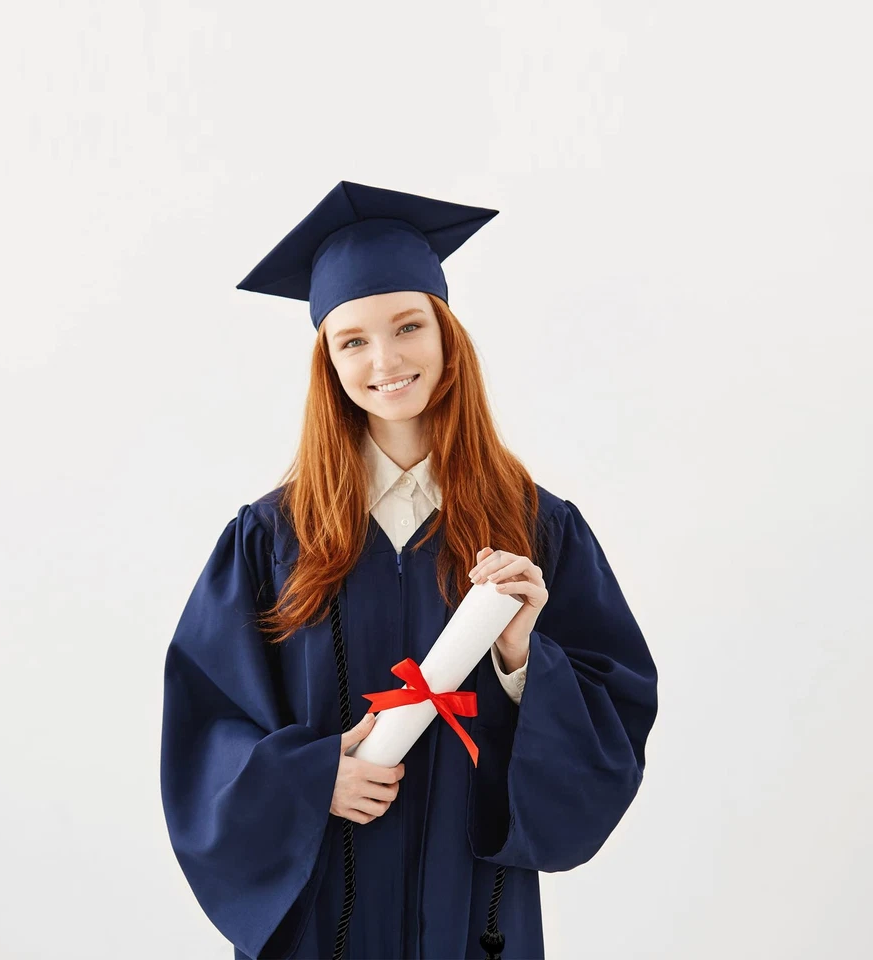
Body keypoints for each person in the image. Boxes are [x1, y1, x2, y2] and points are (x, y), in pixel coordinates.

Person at [159, 180, 659, 960]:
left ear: (446, 336)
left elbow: (613, 722)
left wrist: (525, 658)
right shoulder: (270, 537)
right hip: (321, 918)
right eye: (352, 340)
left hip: (474, 918)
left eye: (407, 327)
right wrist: (309, 778)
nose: (385, 360)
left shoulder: (537, 528)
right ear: (327, 361)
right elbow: (204, 728)